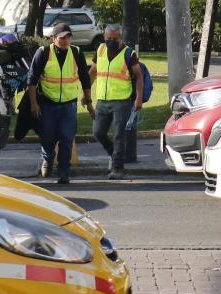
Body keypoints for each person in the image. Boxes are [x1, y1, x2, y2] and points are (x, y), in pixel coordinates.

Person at [27, 22, 93, 184]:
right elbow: (32, 80)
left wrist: (89, 103)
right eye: (62, 38)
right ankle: (48, 159)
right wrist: (34, 104)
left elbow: (85, 79)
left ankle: (64, 171)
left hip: (69, 105)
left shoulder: (76, 52)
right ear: (53, 38)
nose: (65, 40)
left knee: (66, 139)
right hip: (47, 103)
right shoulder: (43, 53)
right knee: (47, 137)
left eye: (68, 37)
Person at [89, 25, 144, 180]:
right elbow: (93, 72)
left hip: (122, 101)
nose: (110, 41)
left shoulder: (129, 53)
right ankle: (114, 154)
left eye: (114, 39)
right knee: (98, 132)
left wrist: (138, 98)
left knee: (119, 135)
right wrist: (86, 93)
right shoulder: (100, 50)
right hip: (102, 100)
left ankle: (117, 168)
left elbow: (139, 76)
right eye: (108, 38)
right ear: (104, 36)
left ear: (120, 38)